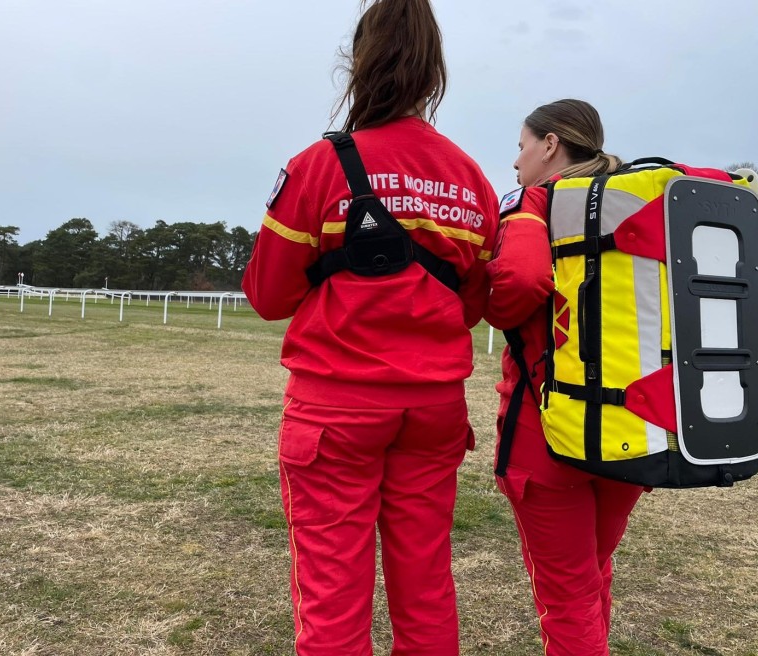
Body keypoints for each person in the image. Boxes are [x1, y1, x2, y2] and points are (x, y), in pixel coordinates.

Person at [241, 1, 499, 654]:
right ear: (433, 72)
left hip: (335, 410)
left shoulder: (317, 166)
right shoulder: (471, 179)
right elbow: (471, 303)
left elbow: (268, 296)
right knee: (425, 584)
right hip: (434, 408)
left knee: (332, 594)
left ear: (357, 62)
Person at [484, 99, 645, 656]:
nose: (516, 161)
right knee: (592, 571)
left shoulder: (536, 200)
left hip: (546, 429)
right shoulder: (633, 200)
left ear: (551, 145)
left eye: (522, 146)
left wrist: (489, 300)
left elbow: (518, 284)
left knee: (567, 594)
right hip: (630, 426)